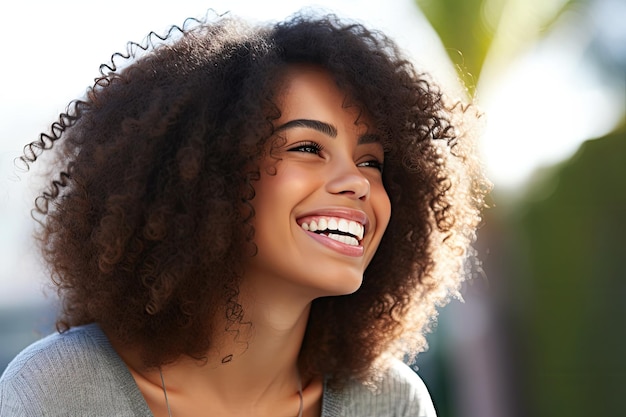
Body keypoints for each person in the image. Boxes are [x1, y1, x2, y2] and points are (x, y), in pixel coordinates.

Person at [0, 11, 488, 417]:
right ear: (208, 176)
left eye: (371, 161)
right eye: (306, 146)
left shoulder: (388, 403)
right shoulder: (59, 393)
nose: (357, 181)